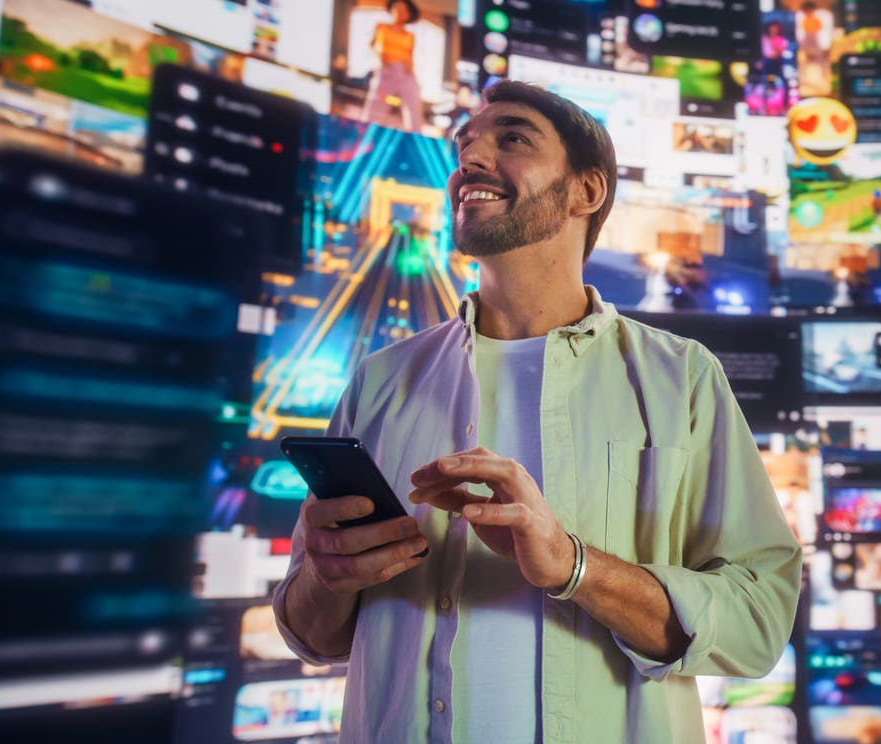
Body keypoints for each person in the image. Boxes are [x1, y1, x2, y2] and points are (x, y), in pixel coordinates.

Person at [273, 80, 802, 742]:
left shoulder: (682, 378)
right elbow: (312, 637)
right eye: (464, 144)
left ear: (586, 191)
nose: (470, 157)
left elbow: (757, 622)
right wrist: (326, 578)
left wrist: (571, 564)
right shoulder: (381, 382)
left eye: (512, 138)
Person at [362, 0, 425, 132]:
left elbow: (409, 55)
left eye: (403, 10)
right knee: (375, 108)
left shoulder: (410, 36)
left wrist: (410, 68)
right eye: (397, 8)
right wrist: (379, 56)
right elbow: (371, 45)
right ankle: (367, 136)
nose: (399, 12)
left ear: (408, 15)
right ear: (392, 10)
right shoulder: (381, 27)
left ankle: (414, 137)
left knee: (414, 108)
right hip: (387, 69)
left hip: (405, 72)